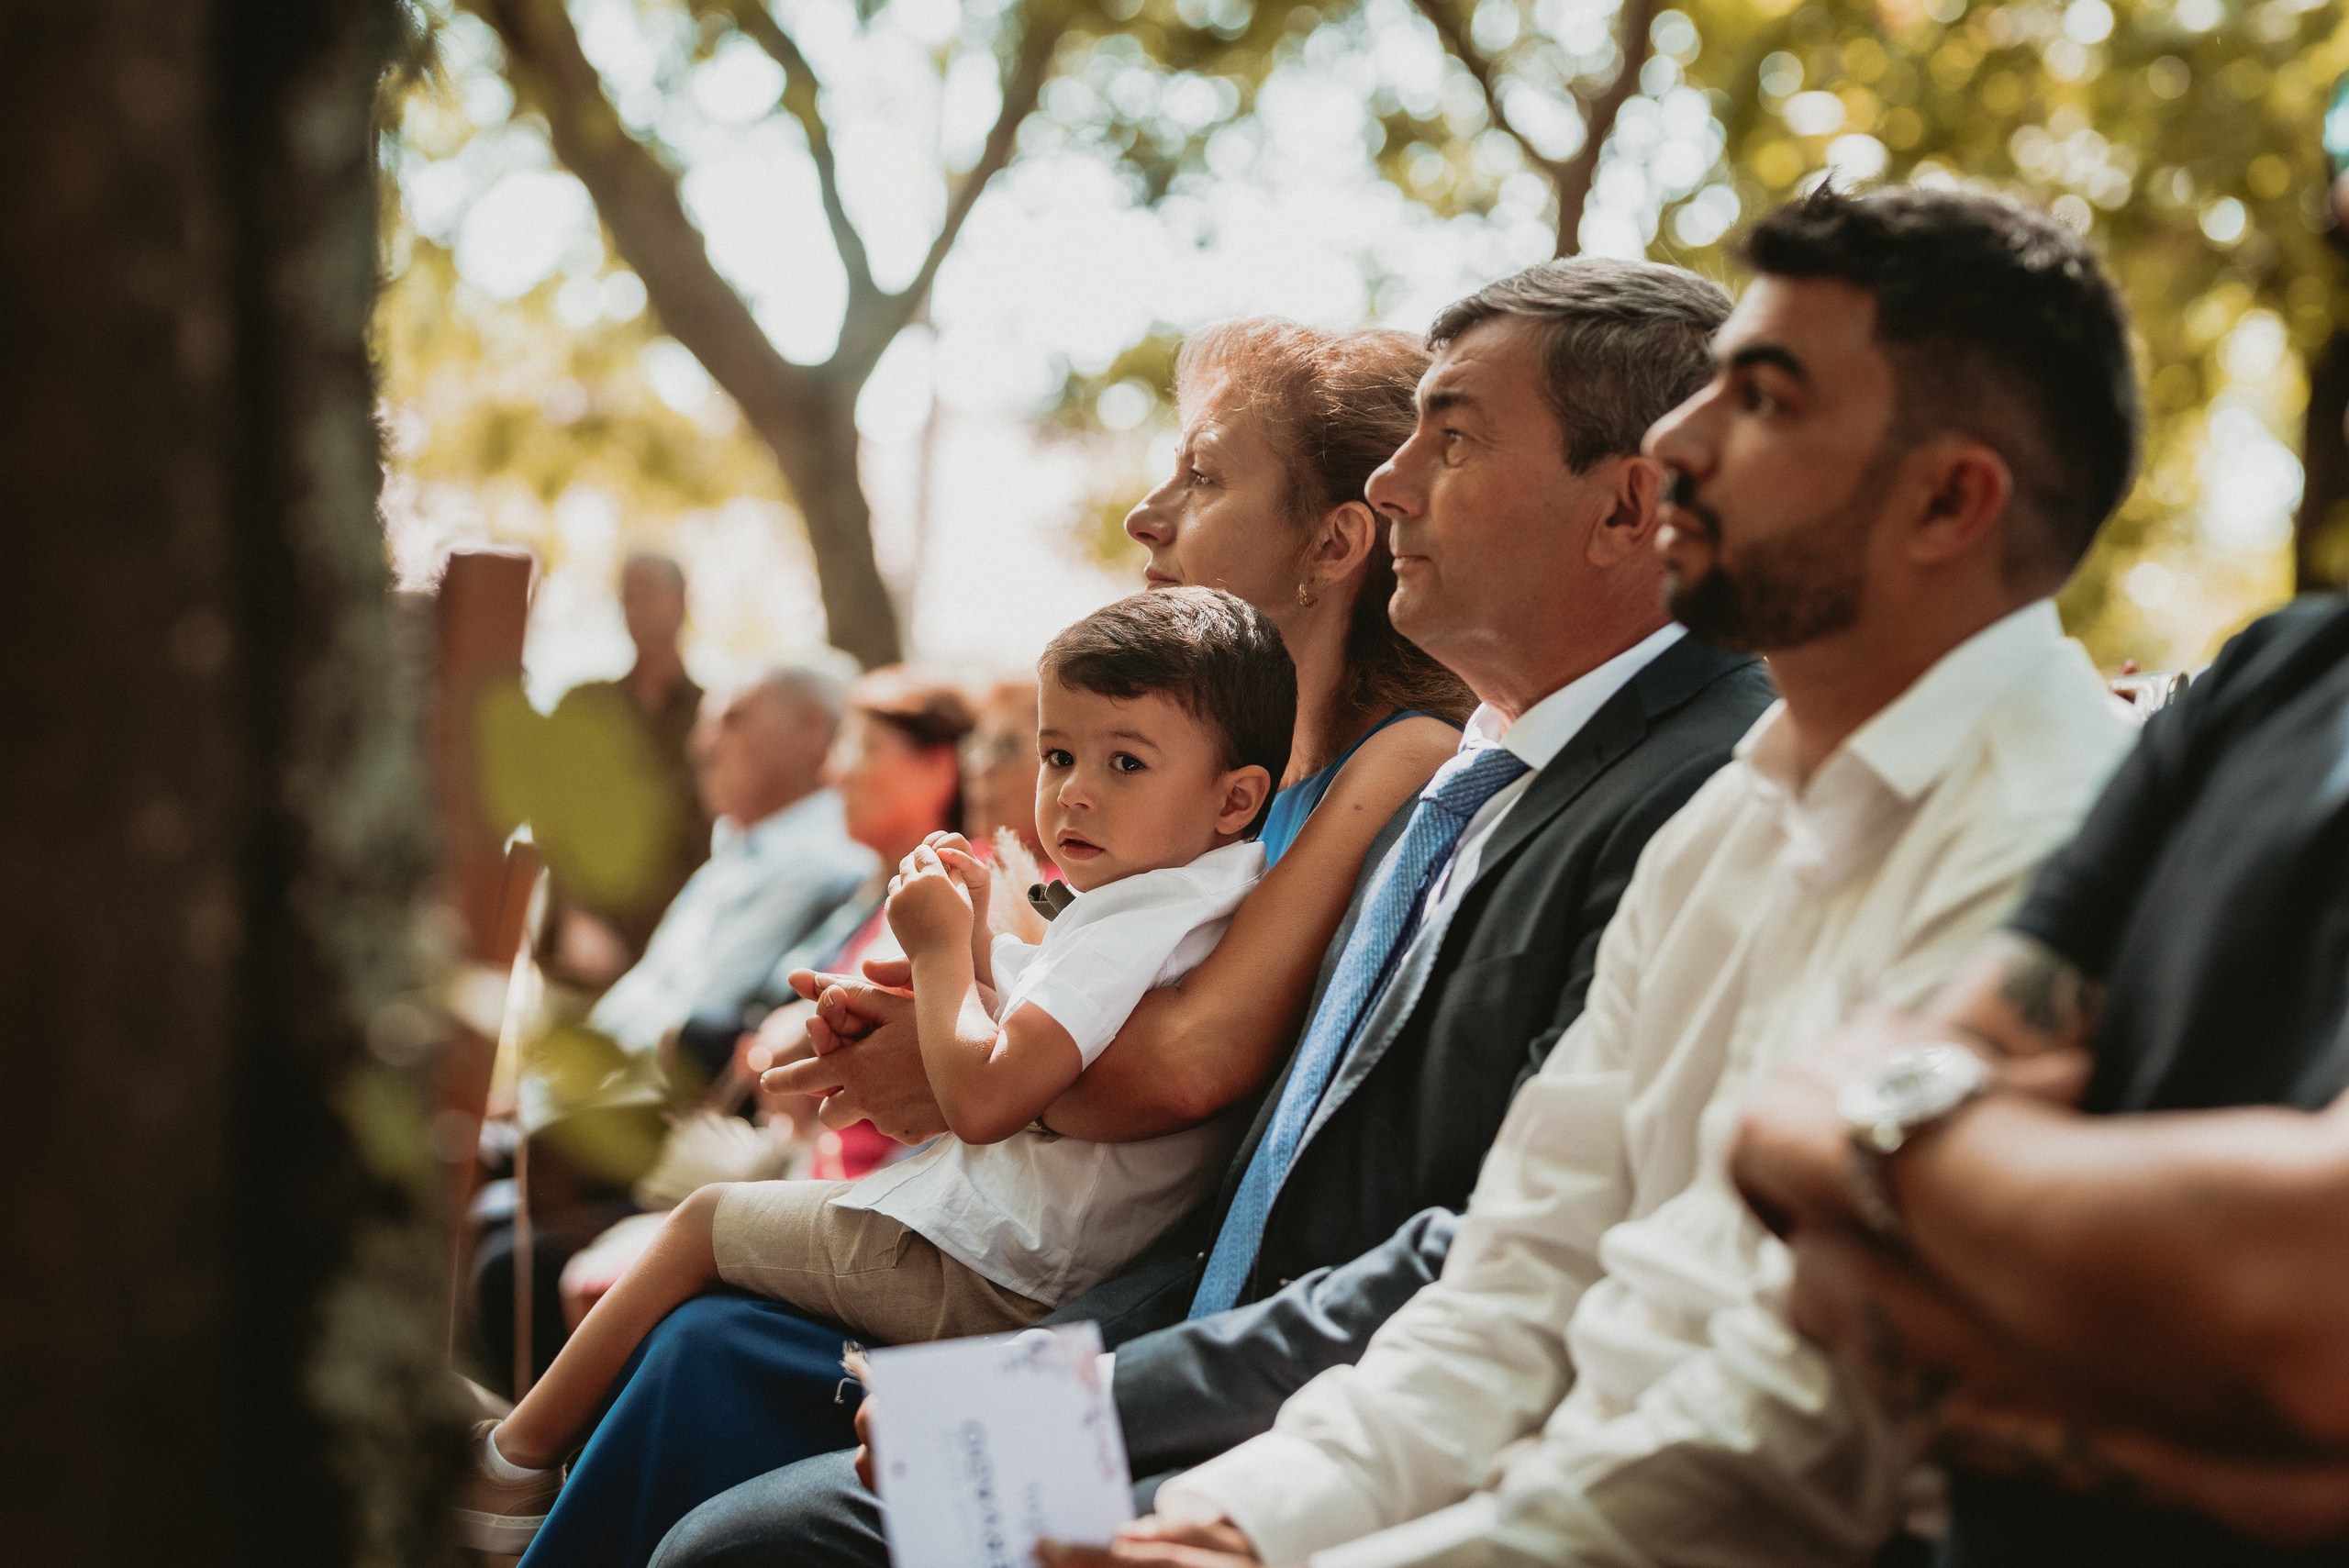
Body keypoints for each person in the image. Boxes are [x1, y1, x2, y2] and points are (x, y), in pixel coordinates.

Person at [1030, 183, 2143, 1568]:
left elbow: (1796, 1430)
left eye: (1767, 401)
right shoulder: (1737, 817)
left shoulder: (2056, 847)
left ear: (1949, 499)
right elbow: (1517, 1279)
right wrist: (1250, 1522)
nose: (1678, 448)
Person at [645, 260, 1776, 1568]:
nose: (1397, 484)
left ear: (1627, 505)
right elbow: (1257, 1199)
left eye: (1452, 439)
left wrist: (1091, 1398)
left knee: (742, 1540)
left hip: (1342, 1441)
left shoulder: (1689, 785)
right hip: (1209, 1364)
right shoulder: (1486, 764)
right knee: (714, 1428)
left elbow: (1487, 1254)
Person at [517, 319, 1493, 1568]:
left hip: (1143, 1317)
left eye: (1202, 477)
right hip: (1083, 1263)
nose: (1148, 515)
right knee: (698, 1322)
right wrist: (934, 1025)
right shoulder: (1228, 791)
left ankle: (517, 1493)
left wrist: (951, 1047)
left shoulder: (1385, 765)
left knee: (714, 1374)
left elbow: (1180, 1067)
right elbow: (1081, 1022)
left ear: (1332, 543)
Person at [462, 591, 1295, 1551]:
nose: (1073, 790)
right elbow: (1040, 1038)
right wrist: (977, 954)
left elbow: (983, 1097)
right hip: (1021, 1252)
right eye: (1059, 753)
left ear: (1235, 795)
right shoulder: (1190, 891)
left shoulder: (1139, 916)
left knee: (700, 1225)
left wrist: (942, 954)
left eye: (1125, 761)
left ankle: (513, 1463)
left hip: (992, 1267)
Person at [1729, 595, 2349, 1566]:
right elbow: (1813, 1248)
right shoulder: (2278, 670)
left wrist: (1889, 1132)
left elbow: (2319, 1297)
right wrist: (2232, 1469)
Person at [538, 552, 712, 985]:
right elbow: (553, 818)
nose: (637, 608)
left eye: (649, 593)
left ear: (683, 601)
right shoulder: (583, 707)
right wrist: (576, 915)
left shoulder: (715, 718)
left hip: (682, 957)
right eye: (628, 597)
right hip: (585, 951)